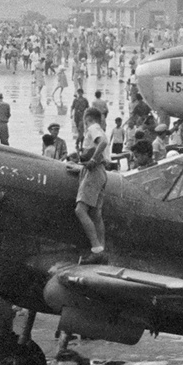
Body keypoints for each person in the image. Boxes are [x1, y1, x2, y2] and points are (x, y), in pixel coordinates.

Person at [73, 108, 110, 263]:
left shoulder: (92, 128)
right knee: (95, 214)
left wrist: (93, 160)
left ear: (86, 118)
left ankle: (96, 250)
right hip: (102, 173)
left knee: (80, 210)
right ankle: (102, 250)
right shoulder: (99, 128)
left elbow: (103, 142)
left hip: (94, 171)